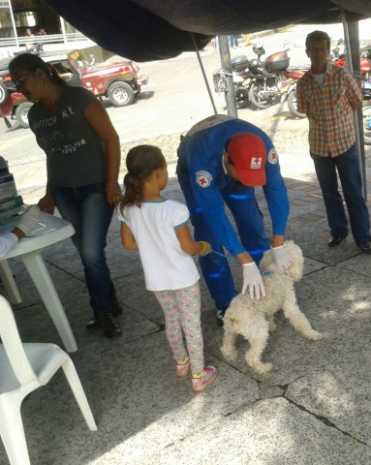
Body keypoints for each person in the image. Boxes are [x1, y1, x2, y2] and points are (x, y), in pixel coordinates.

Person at [9, 53, 122, 338]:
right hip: (63, 192)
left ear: (42, 73)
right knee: (88, 253)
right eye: (15, 84)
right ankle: (109, 300)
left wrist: (111, 182)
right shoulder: (34, 115)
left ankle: (102, 312)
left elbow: (111, 139)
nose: (20, 88)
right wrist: (50, 193)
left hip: (95, 187)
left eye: (22, 80)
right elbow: (53, 155)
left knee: (91, 252)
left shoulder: (80, 99)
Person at [119, 145, 218, 393]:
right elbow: (188, 248)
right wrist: (203, 246)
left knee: (172, 320)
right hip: (183, 278)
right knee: (191, 324)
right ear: (158, 173)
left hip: (157, 280)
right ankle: (198, 375)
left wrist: (150, 242)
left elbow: (128, 244)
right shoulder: (174, 210)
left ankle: (181, 363)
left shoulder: (127, 208)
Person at [176, 115, 292, 325]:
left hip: (233, 163)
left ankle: (265, 290)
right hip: (196, 165)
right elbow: (213, 214)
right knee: (209, 236)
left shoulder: (263, 146)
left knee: (252, 222)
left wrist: (279, 239)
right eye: (244, 175)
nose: (247, 182)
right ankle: (226, 304)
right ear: (227, 159)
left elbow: (276, 191)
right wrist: (243, 259)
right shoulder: (202, 160)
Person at [296, 30, 371, 254]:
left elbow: (357, 101)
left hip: (345, 143)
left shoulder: (342, 75)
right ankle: (338, 231)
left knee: (353, 192)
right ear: (307, 52)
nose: (318, 53)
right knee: (329, 193)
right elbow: (303, 109)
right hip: (319, 147)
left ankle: (363, 238)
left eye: (322, 49)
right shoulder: (303, 83)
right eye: (314, 49)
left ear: (328, 51)